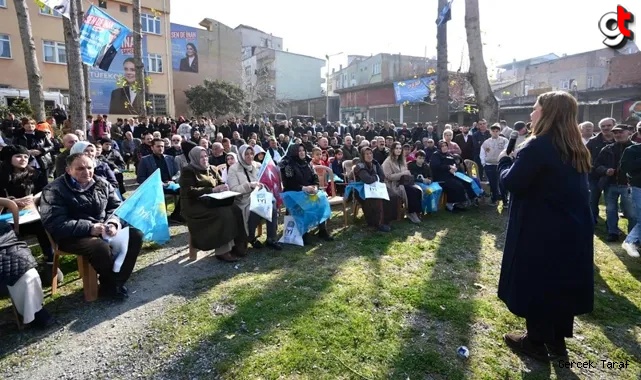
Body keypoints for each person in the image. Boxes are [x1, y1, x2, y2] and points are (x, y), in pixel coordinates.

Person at [497, 91, 593, 361]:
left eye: (535, 108)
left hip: (541, 230)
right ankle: (558, 341)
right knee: (560, 283)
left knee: (538, 283)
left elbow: (513, 182)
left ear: (547, 113)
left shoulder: (538, 145)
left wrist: (506, 161)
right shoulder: (576, 147)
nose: (531, 114)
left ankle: (535, 341)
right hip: (572, 230)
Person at [40, 154, 144, 301]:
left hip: (103, 228)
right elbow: (55, 223)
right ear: (68, 170)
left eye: (89, 167)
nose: (86, 172)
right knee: (99, 247)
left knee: (136, 235)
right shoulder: (53, 190)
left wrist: (113, 223)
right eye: (80, 168)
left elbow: (116, 207)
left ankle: (115, 283)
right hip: (72, 235)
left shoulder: (101, 182)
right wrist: (89, 228)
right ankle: (112, 285)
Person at [179, 146, 248, 262]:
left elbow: (220, 182)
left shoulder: (211, 168)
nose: (204, 159)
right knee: (223, 214)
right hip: (194, 204)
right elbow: (189, 191)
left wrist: (224, 187)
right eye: (201, 157)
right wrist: (211, 190)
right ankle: (222, 251)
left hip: (213, 201)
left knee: (235, 209)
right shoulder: (188, 170)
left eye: (206, 156)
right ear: (195, 158)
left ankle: (238, 245)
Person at [0, 198, 55, 329]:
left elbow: (10, 204)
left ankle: (34, 312)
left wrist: (17, 230)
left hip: (5, 239)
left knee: (27, 273)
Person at [226, 145, 282, 250]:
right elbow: (234, 189)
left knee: (271, 202)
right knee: (255, 207)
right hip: (244, 199)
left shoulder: (258, 165)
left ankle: (271, 238)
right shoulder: (234, 169)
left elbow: (266, 181)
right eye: (246, 154)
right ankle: (250, 237)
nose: (250, 156)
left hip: (259, 195)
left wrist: (263, 186)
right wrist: (249, 185)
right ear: (241, 155)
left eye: (251, 154)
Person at [279, 144, 333, 245]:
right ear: (294, 152)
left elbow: (314, 177)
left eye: (303, 150)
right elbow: (289, 183)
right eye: (299, 151)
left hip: (310, 190)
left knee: (322, 200)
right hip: (294, 192)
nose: (302, 152)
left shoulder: (307, 163)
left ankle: (322, 230)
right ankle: (304, 233)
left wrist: (315, 187)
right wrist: (303, 188)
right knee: (303, 205)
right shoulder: (288, 165)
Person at [353, 147, 398, 232]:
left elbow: (382, 176)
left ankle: (387, 220)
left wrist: (375, 178)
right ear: (362, 155)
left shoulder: (375, 163)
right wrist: (376, 177)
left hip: (377, 186)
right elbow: (367, 179)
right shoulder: (360, 166)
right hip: (362, 190)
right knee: (377, 200)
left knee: (392, 195)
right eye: (367, 154)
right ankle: (378, 223)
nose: (369, 155)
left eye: (371, 153)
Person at [381, 142, 422, 223]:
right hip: (393, 184)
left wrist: (407, 173)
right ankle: (410, 212)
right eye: (396, 148)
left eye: (400, 148)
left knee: (417, 190)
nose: (399, 150)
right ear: (392, 150)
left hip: (404, 182)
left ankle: (417, 212)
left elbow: (405, 172)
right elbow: (388, 176)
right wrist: (402, 174)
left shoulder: (402, 160)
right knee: (410, 191)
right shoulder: (387, 161)